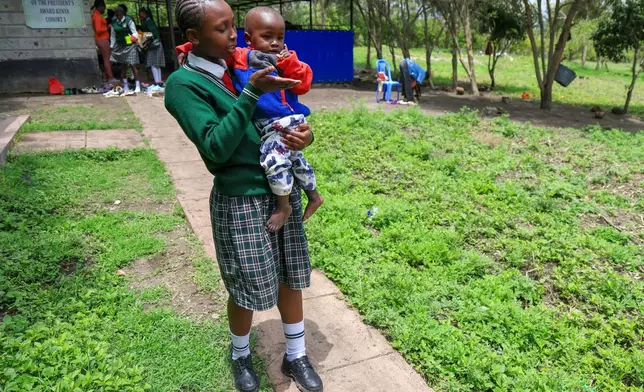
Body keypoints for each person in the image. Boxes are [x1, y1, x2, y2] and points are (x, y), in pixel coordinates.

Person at [165, 1, 323, 392]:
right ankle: (240, 355)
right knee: (246, 287)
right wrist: (251, 91)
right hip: (240, 199)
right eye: (221, 29)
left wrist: (304, 135)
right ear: (192, 37)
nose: (233, 35)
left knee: (291, 277)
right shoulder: (183, 86)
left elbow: (282, 111)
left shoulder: (242, 61)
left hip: (278, 187)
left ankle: (296, 353)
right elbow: (216, 148)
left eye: (234, 25)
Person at [232, 7, 323, 232]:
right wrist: (187, 47)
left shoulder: (286, 60)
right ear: (248, 38)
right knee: (296, 160)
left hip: (282, 121)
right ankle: (314, 196)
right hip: (274, 123)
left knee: (274, 160)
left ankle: (284, 206)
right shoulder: (241, 58)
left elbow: (304, 84)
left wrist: (289, 64)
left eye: (280, 37)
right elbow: (214, 51)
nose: (275, 42)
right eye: (267, 36)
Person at [110, 5, 141, 92]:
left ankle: (137, 86)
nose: (119, 17)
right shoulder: (114, 23)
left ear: (123, 14)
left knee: (132, 64)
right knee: (123, 66)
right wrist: (112, 46)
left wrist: (133, 37)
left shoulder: (128, 20)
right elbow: (113, 36)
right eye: (117, 15)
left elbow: (134, 32)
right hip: (120, 46)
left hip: (130, 45)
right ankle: (126, 86)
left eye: (120, 15)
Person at [138, 7, 165, 85]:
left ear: (144, 13)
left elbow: (151, 34)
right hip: (157, 44)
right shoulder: (149, 21)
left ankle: (157, 82)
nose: (140, 15)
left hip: (153, 45)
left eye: (141, 14)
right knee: (157, 65)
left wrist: (142, 37)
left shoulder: (148, 22)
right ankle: (159, 82)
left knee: (153, 64)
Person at [91, 0, 116, 82]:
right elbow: (98, 29)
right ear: (100, 7)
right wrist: (107, 27)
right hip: (102, 39)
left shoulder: (96, 15)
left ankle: (106, 77)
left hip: (101, 39)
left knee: (107, 59)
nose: (104, 10)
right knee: (107, 59)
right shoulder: (97, 16)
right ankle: (111, 77)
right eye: (104, 8)